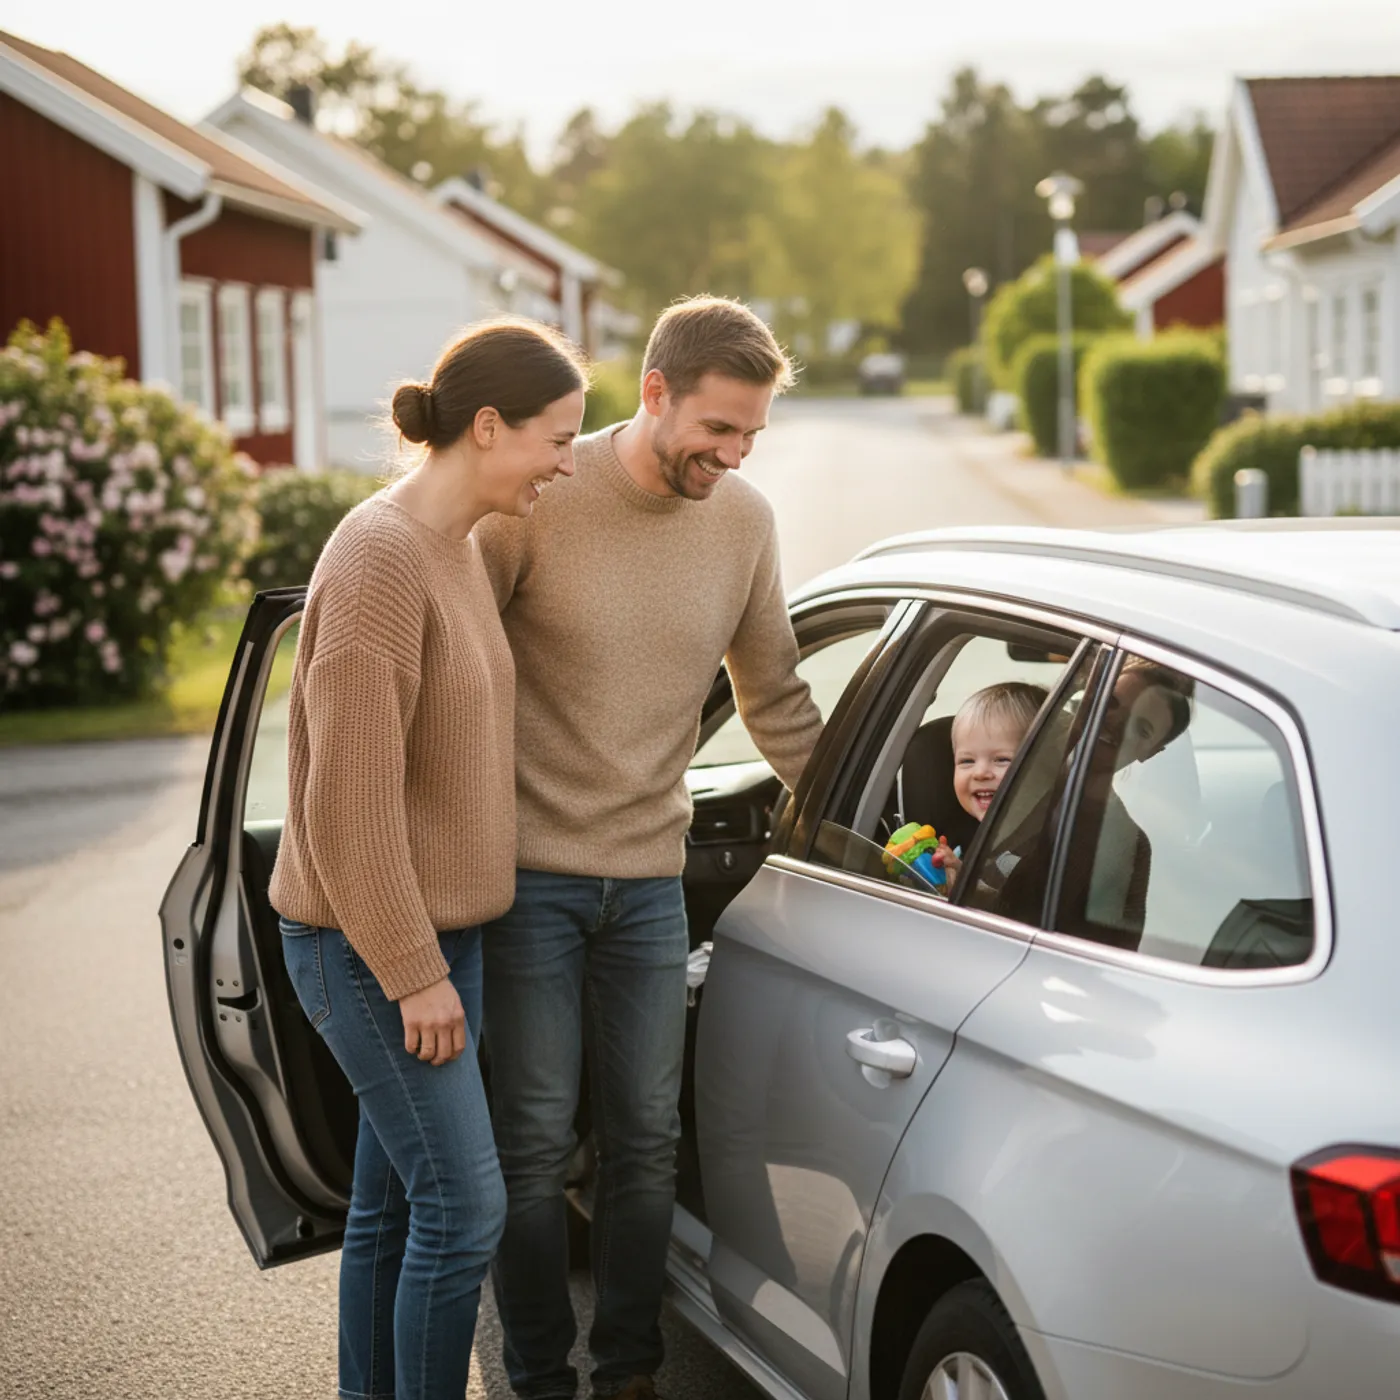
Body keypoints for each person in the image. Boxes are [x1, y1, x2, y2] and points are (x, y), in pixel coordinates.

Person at [474, 296, 824, 1400]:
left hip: (649, 882)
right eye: (716, 428)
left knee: (644, 1142)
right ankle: (540, 1374)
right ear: (655, 390)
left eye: (750, 436)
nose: (730, 455)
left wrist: (876, 835)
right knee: (528, 1146)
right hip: (524, 879)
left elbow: (773, 694)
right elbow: (448, 681)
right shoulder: (534, 499)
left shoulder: (744, 521)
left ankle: (626, 1371)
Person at [269, 319, 588, 1400]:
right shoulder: (377, 562)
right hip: (368, 943)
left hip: (439, 932)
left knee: (397, 1203)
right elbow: (344, 807)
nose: (566, 460)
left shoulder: (451, 548)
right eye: (555, 437)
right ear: (487, 426)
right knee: (466, 1207)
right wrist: (413, 969)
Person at [940, 681, 1049, 891]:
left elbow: (1004, 907)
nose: (980, 773)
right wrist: (959, 872)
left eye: (1001, 759)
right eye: (966, 761)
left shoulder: (1031, 851)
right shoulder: (993, 839)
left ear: (1045, 764)